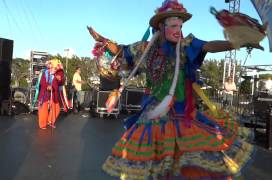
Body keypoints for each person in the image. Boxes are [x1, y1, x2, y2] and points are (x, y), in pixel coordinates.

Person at [87, 0, 261, 179]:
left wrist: (237, 43)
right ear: (161, 26)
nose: (178, 30)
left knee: (183, 164)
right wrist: (103, 40)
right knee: (154, 165)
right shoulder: (145, 49)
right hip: (153, 116)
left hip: (182, 115)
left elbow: (209, 46)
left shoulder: (185, 46)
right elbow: (122, 51)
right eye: (173, 25)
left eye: (180, 25)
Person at [34, 58, 69, 129]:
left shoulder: (60, 72)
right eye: (52, 66)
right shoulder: (46, 72)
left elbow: (62, 82)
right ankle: (43, 124)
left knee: (57, 108)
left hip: (54, 93)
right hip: (44, 93)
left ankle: (50, 121)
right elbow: (42, 82)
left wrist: (60, 79)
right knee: (43, 108)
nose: (53, 67)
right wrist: (47, 86)